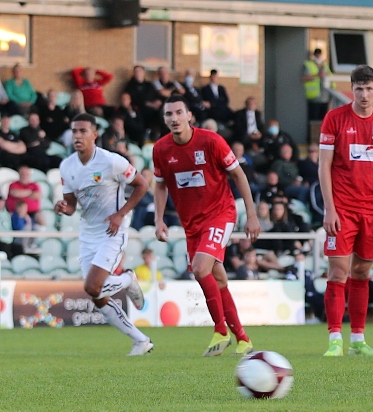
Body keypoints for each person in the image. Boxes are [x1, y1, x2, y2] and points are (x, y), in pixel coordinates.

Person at [153, 95, 260, 357]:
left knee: (200, 269)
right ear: (165, 118)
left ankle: (220, 331)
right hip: (192, 224)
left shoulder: (211, 141)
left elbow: (238, 174)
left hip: (220, 213)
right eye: (169, 114)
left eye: (179, 113)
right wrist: (159, 218)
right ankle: (243, 339)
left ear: (189, 115)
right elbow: (159, 184)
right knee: (218, 278)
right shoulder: (161, 150)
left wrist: (252, 214)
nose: (174, 118)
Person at [54, 112, 153, 356]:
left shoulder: (111, 162)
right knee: (96, 296)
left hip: (112, 230)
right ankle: (140, 340)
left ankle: (128, 279)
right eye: (74, 131)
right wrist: (63, 208)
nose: (77, 136)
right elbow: (71, 205)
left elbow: (142, 185)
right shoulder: (67, 166)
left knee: (93, 287)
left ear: (95, 134)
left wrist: (121, 214)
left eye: (83, 131)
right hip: (88, 234)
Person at [319, 64, 373, 357]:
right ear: (350, 90)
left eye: (369, 89)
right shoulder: (334, 119)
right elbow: (324, 166)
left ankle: (358, 340)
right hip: (342, 209)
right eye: (359, 88)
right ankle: (334, 339)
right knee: (338, 272)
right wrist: (329, 209)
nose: (364, 94)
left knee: (363, 272)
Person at [303, 48, 333, 123]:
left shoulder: (325, 66)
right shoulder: (309, 65)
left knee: (324, 121)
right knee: (314, 120)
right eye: (317, 55)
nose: (319, 57)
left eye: (320, 55)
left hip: (325, 98)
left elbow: (330, 78)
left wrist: (331, 93)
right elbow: (304, 78)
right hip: (314, 98)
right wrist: (318, 75)